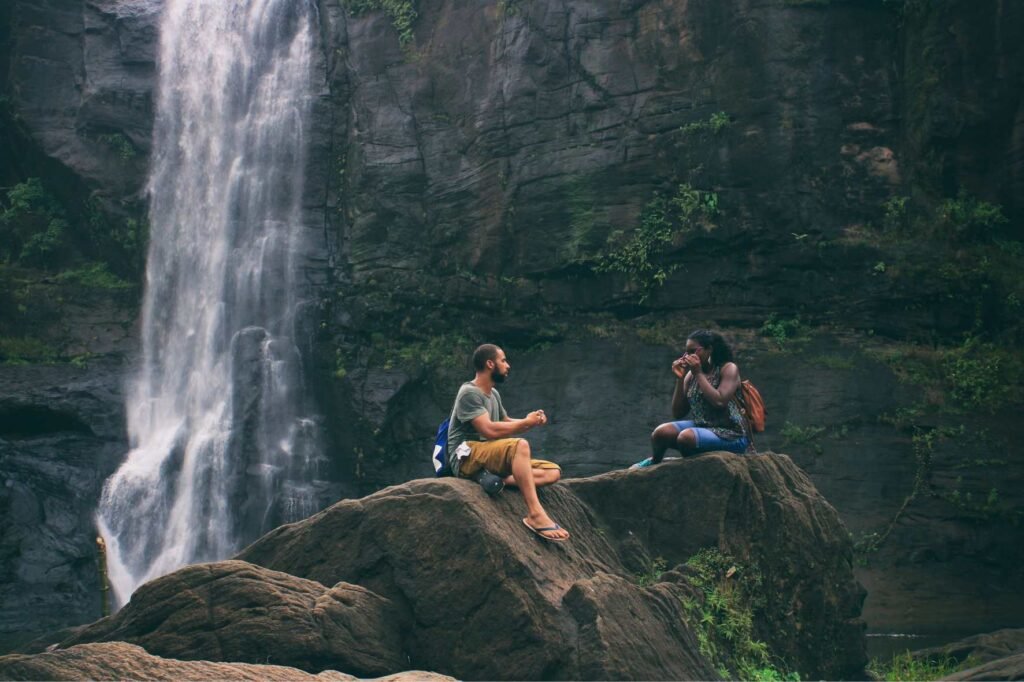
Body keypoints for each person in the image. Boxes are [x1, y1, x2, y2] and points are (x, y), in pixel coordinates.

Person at [446, 344, 570, 542]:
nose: (508, 365)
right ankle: (535, 514)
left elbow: (505, 422)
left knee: (552, 472)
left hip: (487, 454)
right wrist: (525, 423)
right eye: (503, 360)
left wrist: (530, 421)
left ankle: (493, 479)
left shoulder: (493, 394)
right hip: (466, 455)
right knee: (520, 445)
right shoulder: (469, 392)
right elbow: (489, 430)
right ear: (490, 364)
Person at [632, 329, 752, 468]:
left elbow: (720, 401)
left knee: (686, 437)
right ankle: (655, 462)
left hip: (732, 434)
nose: (686, 356)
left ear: (709, 350)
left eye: (692, 351)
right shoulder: (690, 375)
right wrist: (680, 378)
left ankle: (691, 466)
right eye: (686, 352)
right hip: (703, 427)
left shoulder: (728, 369)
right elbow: (678, 413)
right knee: (661, 433)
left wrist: (698, 373)